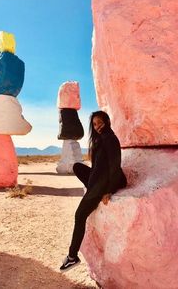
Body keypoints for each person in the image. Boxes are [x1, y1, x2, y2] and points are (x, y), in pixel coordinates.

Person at [60, 110, 127, 272]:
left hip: (102, 184)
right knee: (77, 166)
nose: (98, 127)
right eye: (95, 124)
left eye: (100, 123)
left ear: (107, 122)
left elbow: (114, 165)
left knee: (79, 215)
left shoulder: (109, 138)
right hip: (98, 180)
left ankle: (72, 257)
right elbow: (98, 167)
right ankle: (91, 189)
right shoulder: (100, 139)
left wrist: (108, 190)